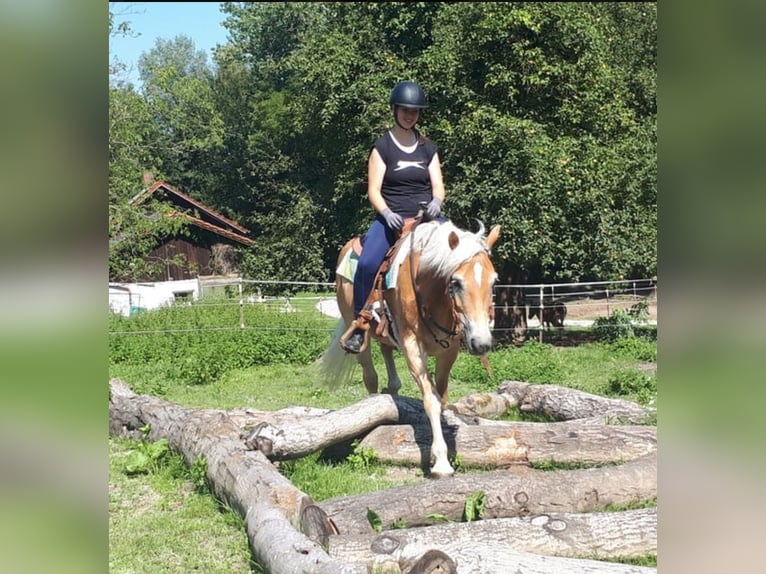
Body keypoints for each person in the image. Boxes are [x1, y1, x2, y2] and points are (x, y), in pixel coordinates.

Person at [341, 81, 447, 354]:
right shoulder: (382, 147)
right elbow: (373, 191)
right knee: (366, 263)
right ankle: (361, 324)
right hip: (393, 219)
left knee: (460, 253)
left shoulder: (428, 148)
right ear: (395, 110)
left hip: (426, 218)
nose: (409, 115)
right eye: (405, 110)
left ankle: (464, 317)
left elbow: (439, 186)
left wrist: (437, 202)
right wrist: (386, 213)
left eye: (414, 111)